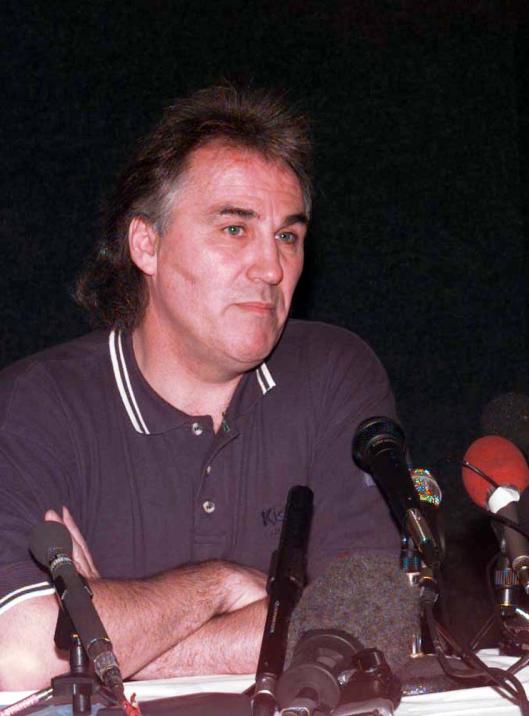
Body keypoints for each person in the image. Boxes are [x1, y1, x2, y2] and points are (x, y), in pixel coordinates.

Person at [0, 86, 399, 689]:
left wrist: (109, 642)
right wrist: (212, 585)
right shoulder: (36, 404)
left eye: (287, 236)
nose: (270, 268)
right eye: (235, 229)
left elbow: (365, 625)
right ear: (146, 244)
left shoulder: (333, 371)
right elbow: (20, 651)